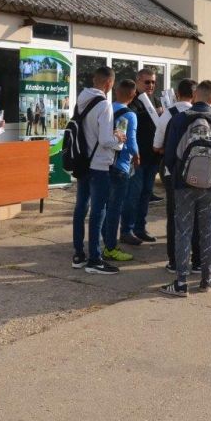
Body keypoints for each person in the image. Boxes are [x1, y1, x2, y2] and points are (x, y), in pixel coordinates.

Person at [160, 80, 211, 297]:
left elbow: (169, 154)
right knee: (208, 232)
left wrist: (180, 175)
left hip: (183, 184)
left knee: (183, 230)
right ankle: (207, 280)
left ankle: (181, 283)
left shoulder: (180, 119)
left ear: (194, 96)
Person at [71, 66, 126, 274]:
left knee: (80, 208)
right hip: (99, 164)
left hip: (83, 162)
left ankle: (78, 254)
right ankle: (95, 259)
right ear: (109, 83)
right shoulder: (104, 105)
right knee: (98, 210)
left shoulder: (81, 100)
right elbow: (104, 140)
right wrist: (118, 139)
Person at [153, 78, 201, 274]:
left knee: (175, 215)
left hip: (173, 170)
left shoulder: (169, 114)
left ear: (177, 94)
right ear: (195, 95)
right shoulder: (203, 113)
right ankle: (198, 261)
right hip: (200, 170)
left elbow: (156, 146)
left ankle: (174, 261)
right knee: (197, 215)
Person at [121, 68, 160, 246]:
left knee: (146, 195)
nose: (150, 85)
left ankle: (140, 228)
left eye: (153, 82)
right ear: (138, 81)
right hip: (137, 158)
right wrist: (154, 113)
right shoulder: (133, 100)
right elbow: (130, 117)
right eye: (147, 82)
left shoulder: (156, 99)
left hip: (153, 157)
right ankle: (126, 230)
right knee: (133, 195)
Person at [102, 80, 139, 263]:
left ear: (116, 92)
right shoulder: (129, 115)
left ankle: (103, 241)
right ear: (133, 95)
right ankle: (110, 247)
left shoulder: (106, 109)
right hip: (120, 166)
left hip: (103, 163)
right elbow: (129, 141)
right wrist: (137, 155)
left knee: (104, 207)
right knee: (115, 209)